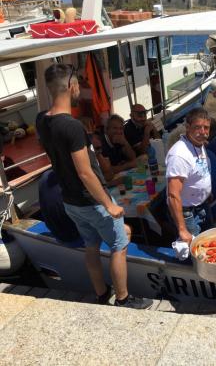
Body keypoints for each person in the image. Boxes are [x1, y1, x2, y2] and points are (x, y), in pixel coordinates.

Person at [36, 63, 152, 309]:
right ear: (71, 86)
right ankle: (123, 298)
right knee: (120, 244)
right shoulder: (72, 127)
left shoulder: (42, 120)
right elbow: (85, 172)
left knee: (91, 244)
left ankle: (101, 293)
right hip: (90, 201)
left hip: (70, 200)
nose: (80, 89)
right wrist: (109, 204)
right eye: (78, 83)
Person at [165, 107, 212, 244]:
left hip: (202, 206)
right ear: (187, 127)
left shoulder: (199, 143)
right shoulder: (179, 155)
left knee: (208, 246)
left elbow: (200, 170)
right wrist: (182, 229)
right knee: (195, 252)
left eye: (206, 128)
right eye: (197, 127)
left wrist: (206, 192)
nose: (202, 132)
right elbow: (173, 195)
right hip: (187, 214)